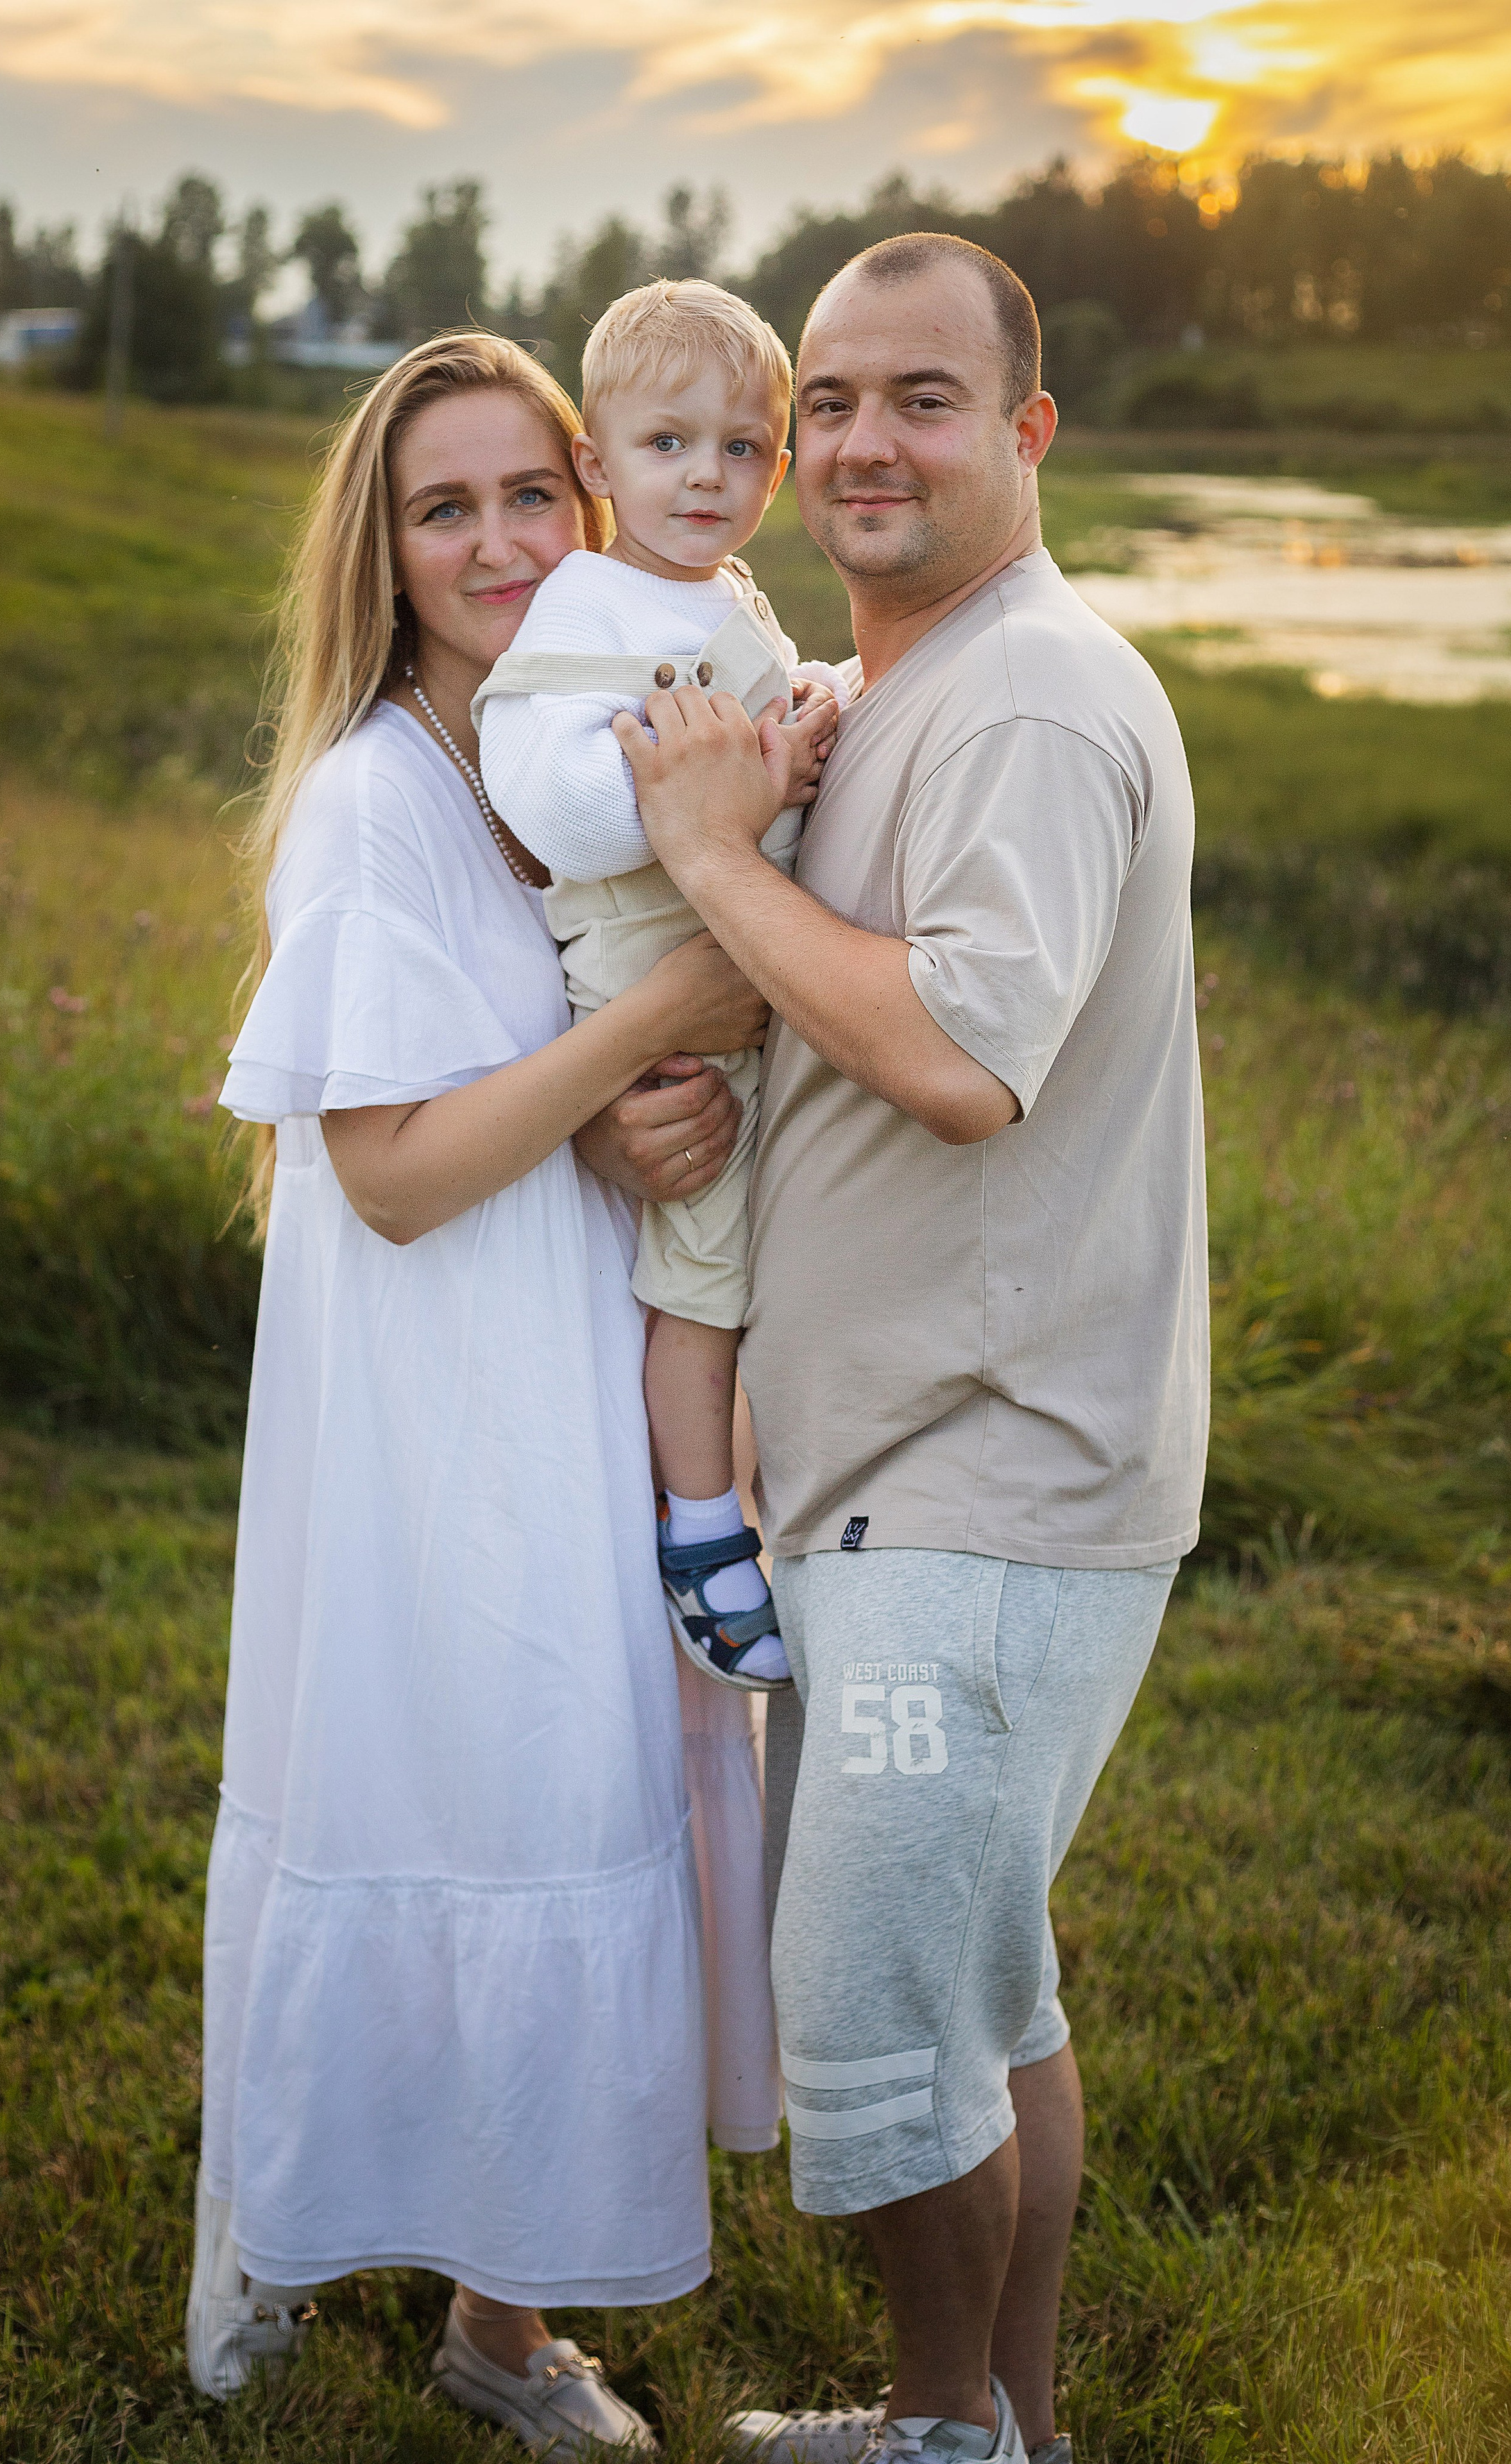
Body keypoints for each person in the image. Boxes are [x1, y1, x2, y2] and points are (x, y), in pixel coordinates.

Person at [608, 235, 1210, 2464]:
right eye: (830, 399)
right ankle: (1000, 2434)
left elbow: (961, 1052)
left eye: (922, 398)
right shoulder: (917, 689)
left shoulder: (1033, 697)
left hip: (984, 1493)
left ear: (1026, 434)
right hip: (917, 1476)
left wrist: (703, 854)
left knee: (877, 2024)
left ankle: (947, 2438)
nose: (862, 440)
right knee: (986, 1997)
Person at [188, 330, 783, 2446]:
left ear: (596, 493)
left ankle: (494, 2324)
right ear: (391, 542)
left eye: (535, 492)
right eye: (449, 507)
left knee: (577, 1794)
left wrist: (647, 1110)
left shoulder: (584, 735)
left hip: (577, 1350)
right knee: (496, 1793)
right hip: (451, 1402)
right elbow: (400, 1168)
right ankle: (441, 2301)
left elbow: (553, 1064)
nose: (505, 540)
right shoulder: (377, 795)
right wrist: (652, 1040)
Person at [477, 279, 842, 1697]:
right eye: (667, 445)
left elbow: (743, 713)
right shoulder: (583, 600)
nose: (708, 477)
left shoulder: (714, 590)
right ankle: (701, 1532)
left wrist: (810, 703)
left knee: (752, 1270)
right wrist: (754, 776)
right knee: (699, 1283)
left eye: (741, 449)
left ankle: (771, 1498)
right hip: (663, 1013)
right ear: (596, 466)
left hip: (748, 981)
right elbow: (564, 806)